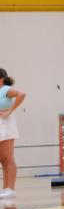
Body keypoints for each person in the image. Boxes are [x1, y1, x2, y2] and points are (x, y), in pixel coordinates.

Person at [0, 68, 25, 199]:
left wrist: (10, 110)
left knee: (8, 159)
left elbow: (22, 94)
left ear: (1, 78)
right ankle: (5, 189)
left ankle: (11, 189)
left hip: (5, 124)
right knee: (2, 160)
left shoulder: (5, 89)